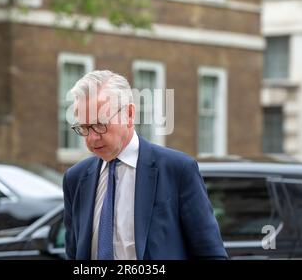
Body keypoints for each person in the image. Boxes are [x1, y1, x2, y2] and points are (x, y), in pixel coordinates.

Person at [63, 70, 227, 260]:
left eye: (100, 124)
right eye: (84, 127)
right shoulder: (74, 179)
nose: (92, 138)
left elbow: (211, 254)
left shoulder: (178, 170)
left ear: (130, 114)